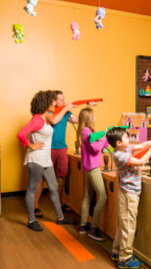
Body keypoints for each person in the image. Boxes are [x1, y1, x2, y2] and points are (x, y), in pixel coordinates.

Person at [17, 90, 76, 231]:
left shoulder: (45, 119)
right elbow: (21, 134)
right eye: (53, 101)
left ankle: (60, 218)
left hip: (46, 159)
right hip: (36, 159)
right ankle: (31, 221)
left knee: (54, 187)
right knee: (31, 190)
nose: (55, 103)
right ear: (45, 104)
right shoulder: (37, 119)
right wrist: (31, 145)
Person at [34, 91, 94, 217]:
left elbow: (81, 120)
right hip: (47, 148)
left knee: (61, 177)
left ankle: (59, 204)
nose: (64, 102)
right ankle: (35, 206)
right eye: (61, 100)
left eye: (64, 99)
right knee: (41, 178)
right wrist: (66, 109)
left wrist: (88, 108)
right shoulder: (48, 112)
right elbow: (54, 121)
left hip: (62, 148)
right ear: (54, 101)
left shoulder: (66, 112)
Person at [106, 127, 151, 269]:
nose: (128, 138)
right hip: (130, 194)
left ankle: (116, 251)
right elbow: (141, 162)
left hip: (126, 192)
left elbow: (141, 145)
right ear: (118, 142)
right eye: (125, 137)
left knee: (123, 224)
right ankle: (125, 259)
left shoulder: (124, 149)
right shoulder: (119, 155)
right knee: (129, 226)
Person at [77, 108, 108, 241]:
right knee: (103, 197)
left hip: (90, 167)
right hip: (93, 168)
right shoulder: (86, 131)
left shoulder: (86, 131)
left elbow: (102, 146)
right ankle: (94, 229)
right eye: (93, 115)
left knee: (88, 197)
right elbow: (96, 148)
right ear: (89, 117)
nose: (95, 117)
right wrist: (105, 135)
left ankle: (83, 226)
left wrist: (106, 138)